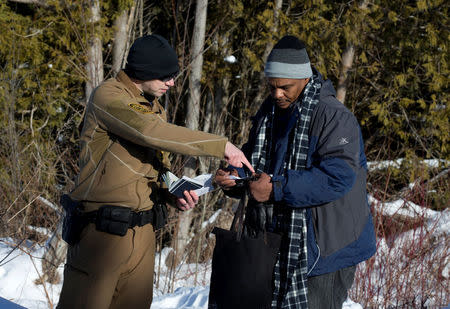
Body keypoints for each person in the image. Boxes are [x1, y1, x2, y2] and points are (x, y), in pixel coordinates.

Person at [57, 34, 253, 309]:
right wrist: (221, 146)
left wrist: (181, 190)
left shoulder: (154, 107)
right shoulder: (108, 97)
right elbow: (149, 132)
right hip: (101, 237)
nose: (171, 83)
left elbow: (158, 169)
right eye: (165, 76)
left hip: (144, 236)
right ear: (144, 71)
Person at [215, 35, 376, 308]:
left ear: (304, 78)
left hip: (324, 250)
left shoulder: (333, 116)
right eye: (272, 86)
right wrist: (235, 178)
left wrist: (277, 188)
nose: (277, 93)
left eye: (285, 87)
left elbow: (337, 177)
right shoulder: (271, 111)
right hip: (275, 243)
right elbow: (256, 161)